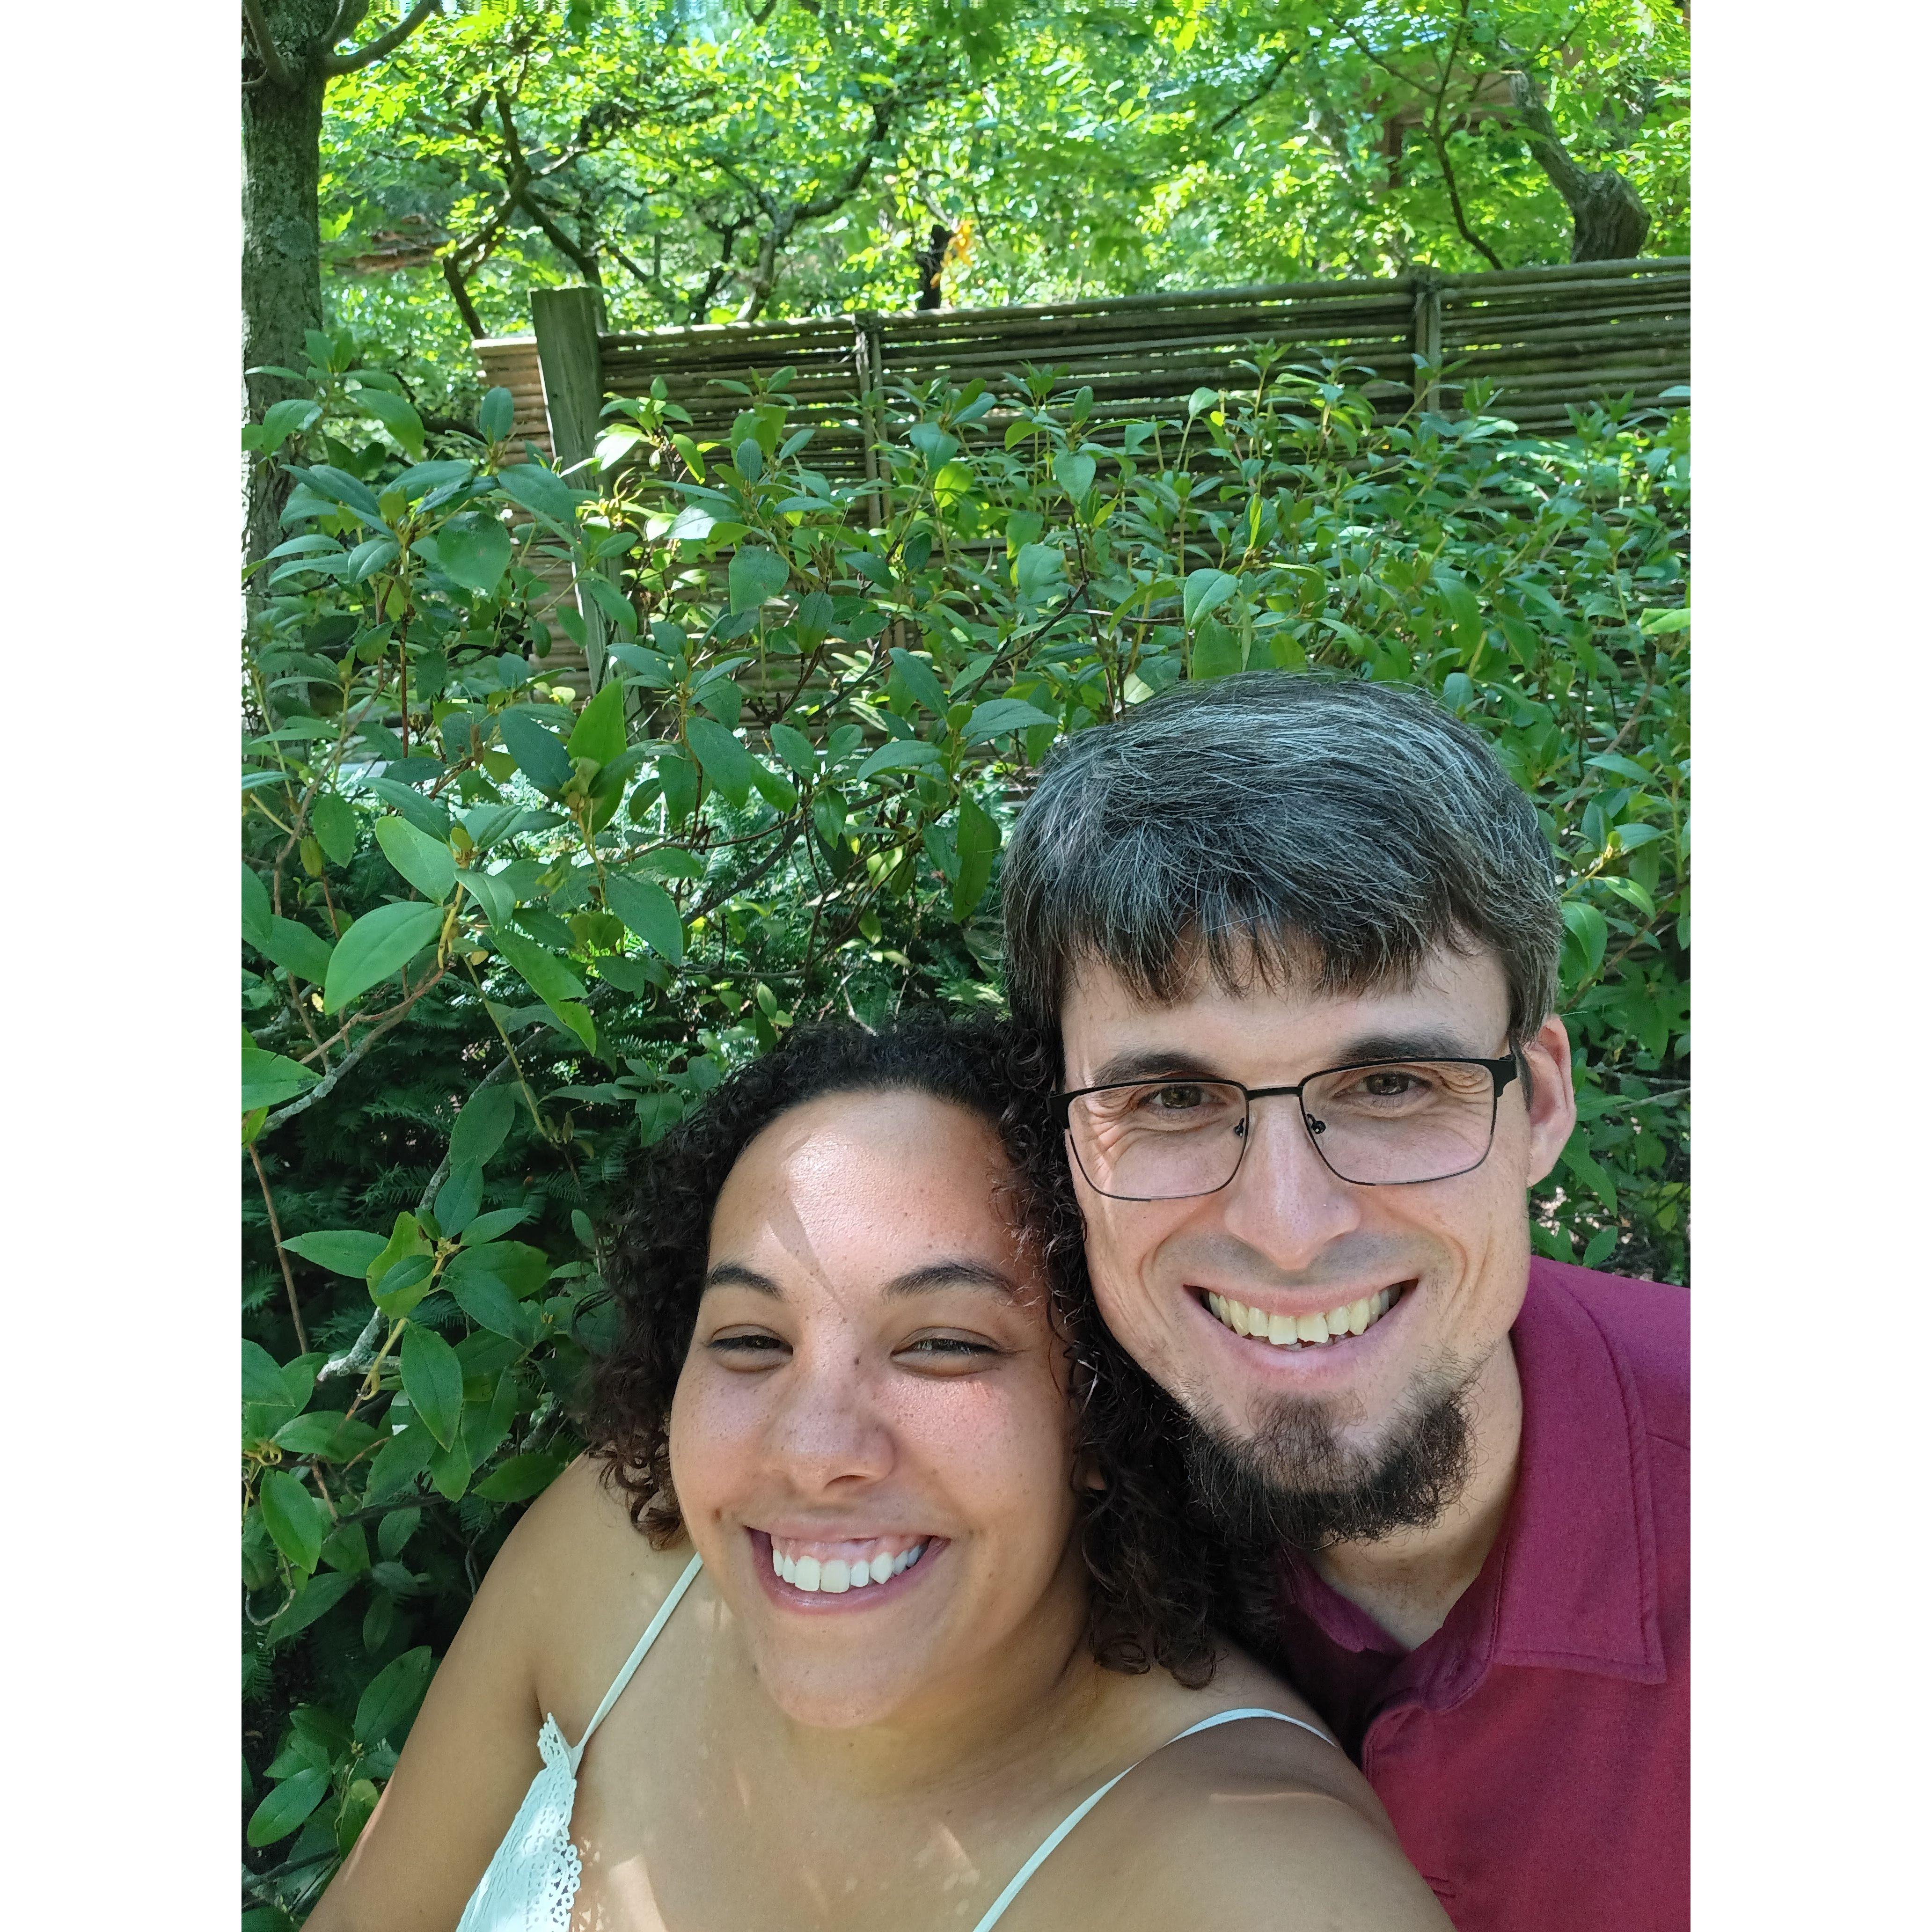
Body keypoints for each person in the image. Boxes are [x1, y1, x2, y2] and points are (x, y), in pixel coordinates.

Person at [308, 1016, 1449, 1932]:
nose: (812, 1449)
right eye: (750, 1341)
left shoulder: (1254, 1878)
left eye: (944, 1346)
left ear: (1098, 1418)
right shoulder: (617, 1560)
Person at [999, 671, 1688, 1932]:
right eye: (1170, 1100)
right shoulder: (970, 1502)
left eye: (1389, 1085)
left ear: (1535, 1103)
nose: (1287, 1226)